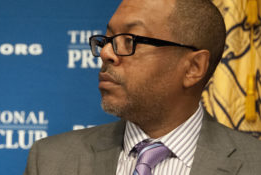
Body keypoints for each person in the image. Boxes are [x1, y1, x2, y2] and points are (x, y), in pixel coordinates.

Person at [24, 0, 261, 174]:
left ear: (193, 68)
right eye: (107, 40)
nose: (106, 53)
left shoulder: (254, 164)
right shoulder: (50, 161)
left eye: (130, 41)